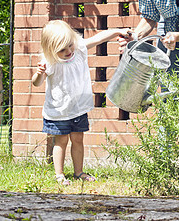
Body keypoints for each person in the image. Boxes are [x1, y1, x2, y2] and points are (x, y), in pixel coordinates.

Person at [32, 20, 131, 185]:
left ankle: (79, 172)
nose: (69, 51)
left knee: (78, 140)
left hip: (78, 109)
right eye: (62, 50)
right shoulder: (49, 61)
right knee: (61, 141)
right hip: (59, 111)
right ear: (51, 49)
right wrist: (39, 73)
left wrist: (116, 32)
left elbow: (98, 39)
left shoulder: (79, 49)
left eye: (70, 45)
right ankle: (59, 174)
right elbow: (37, 83)